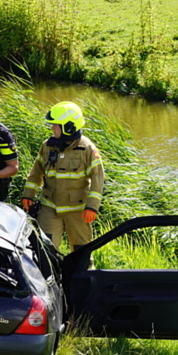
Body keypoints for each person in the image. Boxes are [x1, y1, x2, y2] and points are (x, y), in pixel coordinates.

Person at [21, 101, 105, 251]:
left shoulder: (87, 148)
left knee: (81, 251)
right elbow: (36, 173)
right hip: (49, 207)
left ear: (68, 127)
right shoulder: (47, 145)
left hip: (77, 210)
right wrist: (28, 195)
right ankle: (49, 275)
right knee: (45, 250)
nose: (52, 128)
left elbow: (98, 179)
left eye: (56, 125)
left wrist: (92, 207)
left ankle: (81, 275)